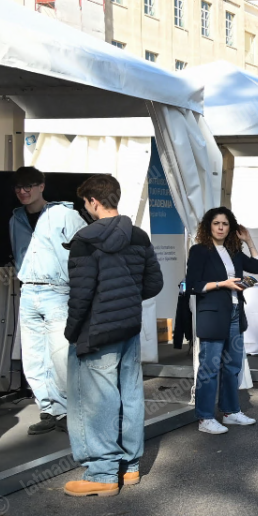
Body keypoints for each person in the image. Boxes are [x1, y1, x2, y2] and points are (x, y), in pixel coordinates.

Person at [62, 175, 163, 497]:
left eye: (85, 203)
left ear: (93, 201)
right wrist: (127, 299)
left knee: (95, 401)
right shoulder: (138, 236)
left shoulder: (84, 240)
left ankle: (103, 472)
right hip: (129, 327)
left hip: (96, 331)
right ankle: (129, 468)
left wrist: (71, 330)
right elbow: (154, 283)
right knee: (129, 395)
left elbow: (80, 295)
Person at [9, 166, 87, 435]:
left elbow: (85, 251)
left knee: (60, 355)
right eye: (19, 187)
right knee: (32, 357)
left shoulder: (64, 214)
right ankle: (49, 409)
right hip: (28, 290)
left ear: (42, 186)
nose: (23, 191)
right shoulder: (15, 219)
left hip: (57, 289)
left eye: (29, 185)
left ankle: (69, 410)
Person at [184, 207, 258, 435]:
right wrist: (222, 284)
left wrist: (248, 240)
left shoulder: (233, 250)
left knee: (233, 365)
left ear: (231, 228)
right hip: (212, 314)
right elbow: (191, 285)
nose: (221, 227)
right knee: (209, 367)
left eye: (225, 224)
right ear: (208, 225)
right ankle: (205, 417)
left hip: (235, 312)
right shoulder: (199, 251)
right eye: (217, 223)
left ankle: (230, 412)